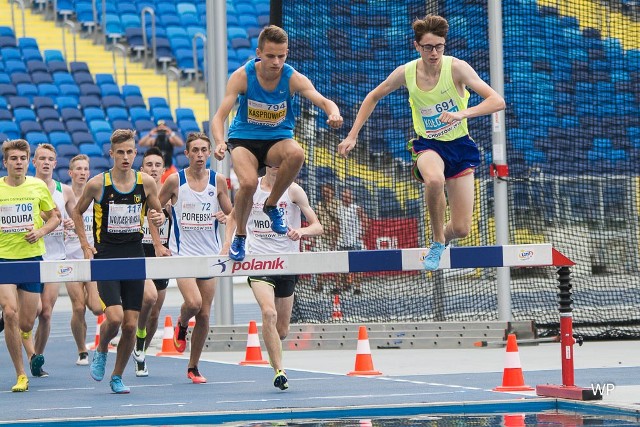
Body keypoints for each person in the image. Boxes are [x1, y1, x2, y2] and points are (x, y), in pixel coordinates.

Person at [338, 14, 505, 271]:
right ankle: (438, 240)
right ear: (417, 46)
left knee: (461, 228)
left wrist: (463, 113)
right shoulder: (407, 72)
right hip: (428, 145)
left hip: (460, 147)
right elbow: (373, 96)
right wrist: (352, 135)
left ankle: (443, 238)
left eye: (439, 46)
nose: (434, 52)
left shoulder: (457, 68)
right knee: (435, 180)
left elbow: (497, 101)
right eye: (428, 47)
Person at [210, 25, 343, 262]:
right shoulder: (242, 76)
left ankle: (271, 205)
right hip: (245, 139)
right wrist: (220, 142)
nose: (276, 62)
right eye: (270, 56)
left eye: (281, 56)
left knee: (297, 154)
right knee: (249, 183)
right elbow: (219, 116)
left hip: (276, 139)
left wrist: (333, 113)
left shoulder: (292, 78)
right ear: (259, 52)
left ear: (287, 54)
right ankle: (240, 235)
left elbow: (323, 101)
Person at [71, 129, 165, 394]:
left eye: (130, 152)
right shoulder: (98, 184)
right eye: (120, 152)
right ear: (111, 154)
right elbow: (77, 212)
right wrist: (85, 245)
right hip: (107, 256)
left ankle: (117, 376)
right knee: (114, 317)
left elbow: (156, 212)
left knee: (131, 325)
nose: (125, 157)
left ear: (136, 153)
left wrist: (158, 226)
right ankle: (101, 348)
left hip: (135, 254)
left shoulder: (146, 182)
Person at [224, 166, 323, 390]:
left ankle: (272, 349)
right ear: (267, 164)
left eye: (283, 163)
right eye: (275, 163)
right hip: (259, 261)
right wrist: (227, 243)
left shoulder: (294, 191)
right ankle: (279, 371)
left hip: (287, 264)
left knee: (282, 330)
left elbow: (318, 226)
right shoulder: (251, 190)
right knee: (268, 312)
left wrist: (302, 232)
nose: (278, 167)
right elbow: (232, 218)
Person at [154, 132, 232, 384]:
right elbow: (153, 209)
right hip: (183, 254)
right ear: (186, 154)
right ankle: (181, 322)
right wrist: (159, 241)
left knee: (205, 315)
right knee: (194, 303)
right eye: (195, 150)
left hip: (210, 255)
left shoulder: (218, 181)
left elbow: (233, 215)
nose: (199, 155)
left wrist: (227, 220)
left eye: (203, 150)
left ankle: (193, 366)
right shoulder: (175, 181)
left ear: (209, 153)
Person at [0, 139, 61, 392]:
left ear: (28, 162)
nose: (18, 163)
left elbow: (54, 217)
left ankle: (25, 335)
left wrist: (40, 231)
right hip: (4, 259)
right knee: (9, 312)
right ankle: (21, 374)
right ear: (6, 163)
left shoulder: (37, 187)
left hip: (31, 258)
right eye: (13, 159)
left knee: (26, 322)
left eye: (22, 159)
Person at [24, 143, 77, 378]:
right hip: (32, 256)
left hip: (56, 257)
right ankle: (30, 352)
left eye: (50, 159)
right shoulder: (26, 188)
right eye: (41, 158)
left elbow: (76, 216)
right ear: (34, 162)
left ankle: (37, 358)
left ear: (55, 164)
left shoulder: (64, 191)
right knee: (32, 310)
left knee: (46, 312)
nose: (46, 162)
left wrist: (70, 223)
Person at [131, 147, 172, 377]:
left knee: (155, 313)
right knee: (148, 299)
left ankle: (140, 352)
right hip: (141, 250)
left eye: (158, 165)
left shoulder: (170, 194)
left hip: (162, 256)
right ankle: (134, 338)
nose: (154, 169)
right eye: (149, 165)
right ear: (142, 168)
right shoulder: (137, 192)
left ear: (163, 170)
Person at [64, 154, 102, 367]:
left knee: (96, 307)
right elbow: (53, 223)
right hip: (70, 259)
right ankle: (81, 351)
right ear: (71, 173)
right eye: (77, 169)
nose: (81, 172)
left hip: (91, 257)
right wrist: (63, 226)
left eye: (85, 169)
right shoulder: (65, 199)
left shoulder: (94, 196)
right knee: (78, 307)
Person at [336, 188, 369, 295]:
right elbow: (337, 224)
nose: (346, 198)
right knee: (341, 265)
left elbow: (366, 220)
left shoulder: (356, 208)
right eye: (344, 196)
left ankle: (357, 287)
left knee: (358, 266)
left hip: (354, 242)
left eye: (348, 196)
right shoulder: (339, 209)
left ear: (351, 197)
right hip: (342, 242)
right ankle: (341, 286)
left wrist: (362, 234)